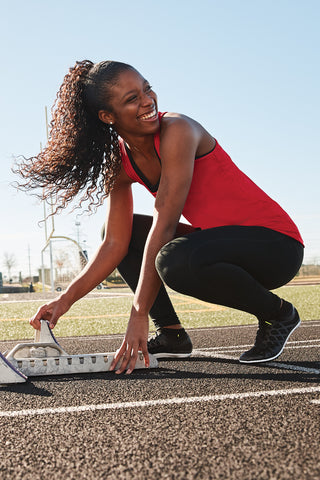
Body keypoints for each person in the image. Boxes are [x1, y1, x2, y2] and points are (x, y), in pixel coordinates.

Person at [15, 60, 304, 374]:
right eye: (132, 99)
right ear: (107, 116)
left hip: (276, 246)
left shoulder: (178, 129)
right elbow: (114, 243)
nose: (147, 100)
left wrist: (137, 313)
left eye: (147, 88)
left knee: (173, 259)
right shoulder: (120, 164)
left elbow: (165, 221)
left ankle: (279, 314)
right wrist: (65, 300)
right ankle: (171, 334)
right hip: (220, 247)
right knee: (126, 236)